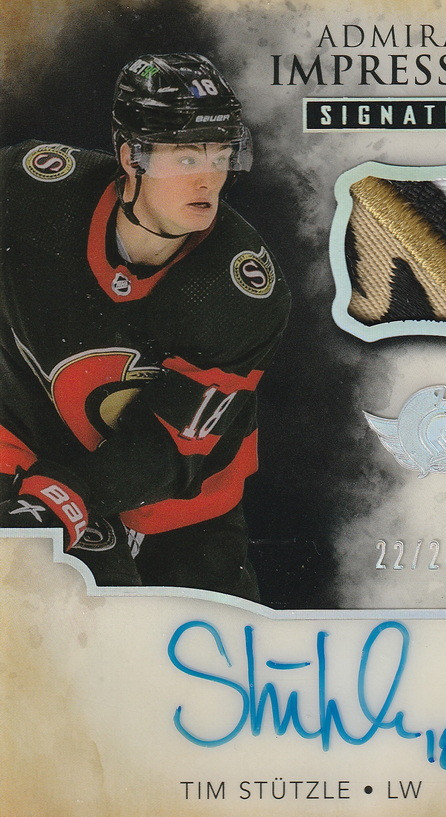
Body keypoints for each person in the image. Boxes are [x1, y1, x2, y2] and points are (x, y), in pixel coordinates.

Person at [0, 53, 290, 600]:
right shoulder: (31, 191)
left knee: (215, 644)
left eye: (221, 155)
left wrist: (68, 498)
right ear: (131, 156)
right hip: (28, 452)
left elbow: (175, 443)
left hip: (181, 501)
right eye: (186, 157)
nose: (209, 178)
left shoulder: (239, 286)